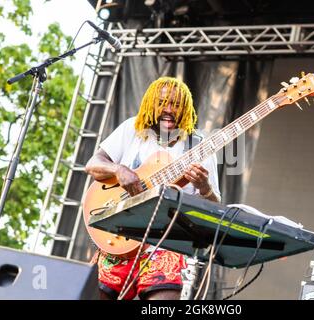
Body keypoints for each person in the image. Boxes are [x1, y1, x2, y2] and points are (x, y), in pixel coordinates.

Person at [85, 76, 221, 300]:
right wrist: (119, 169)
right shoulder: (133, 128)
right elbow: (93, 165)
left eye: (176, 104)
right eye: (163, 102)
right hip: (120, 235)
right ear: (151, 104)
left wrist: (205, 188)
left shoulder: (199, 146)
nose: (169, 109)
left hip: (166, 243)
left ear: (186, 108)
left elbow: (214, 207)